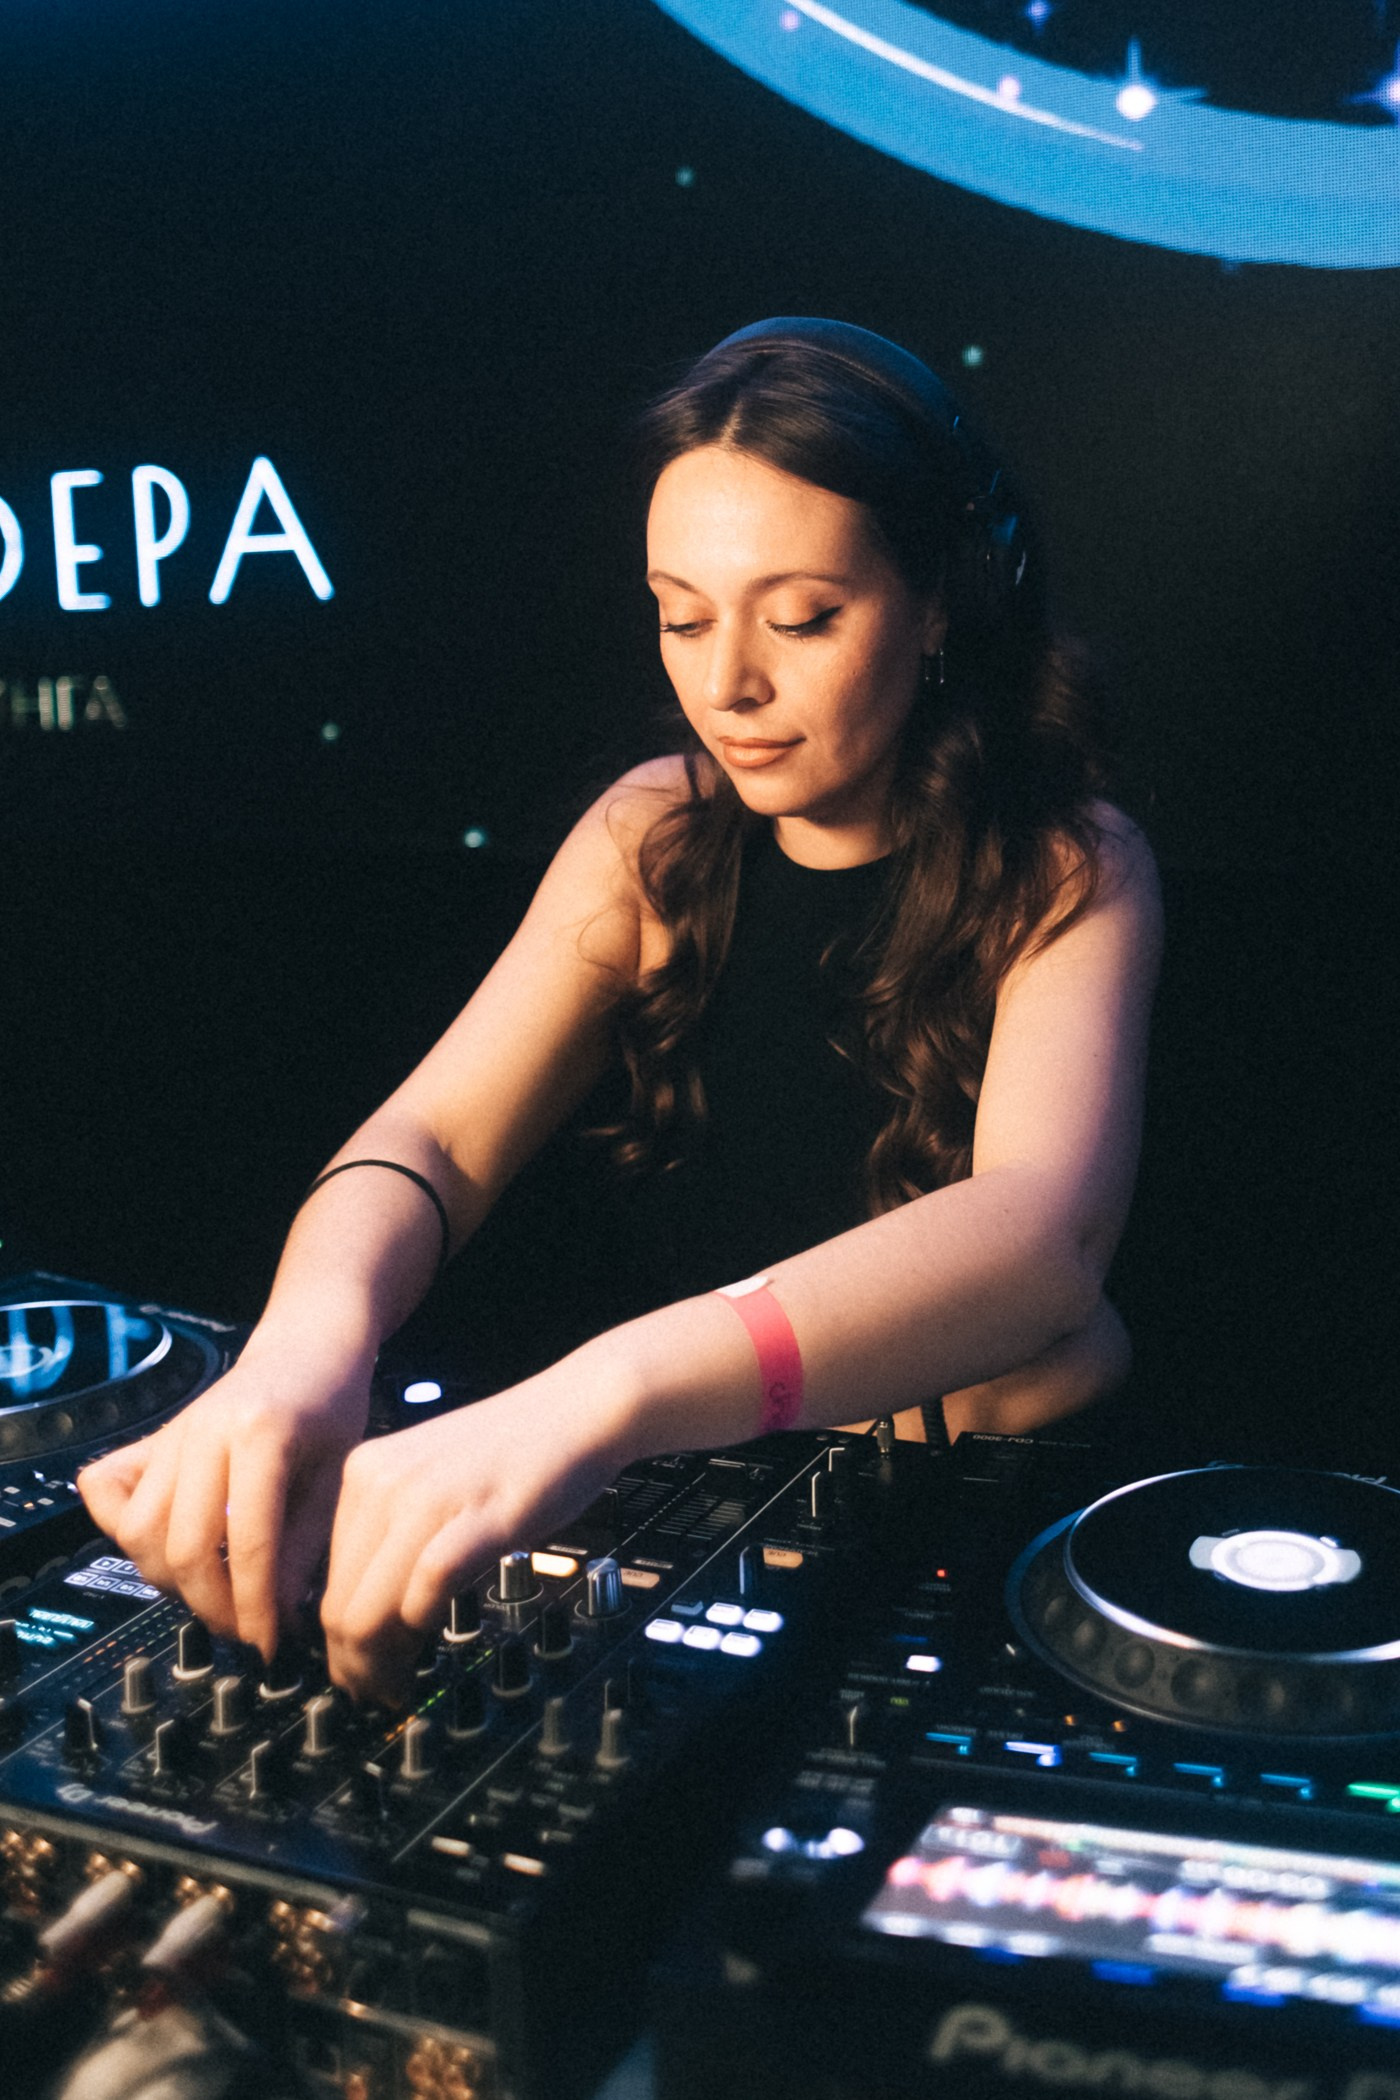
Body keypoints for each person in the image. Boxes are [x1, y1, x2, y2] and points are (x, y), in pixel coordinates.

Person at [77, 319, 1161, 1707]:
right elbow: (437, 1138)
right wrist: (308, 1341)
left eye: (803, 617)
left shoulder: (1069, 864)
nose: (729, 685)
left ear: (941, 600)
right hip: (727, 1505)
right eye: (684, 616)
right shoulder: (652, 833)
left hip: (1009, 1522)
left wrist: (600, 1398)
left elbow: (1043, 1239)